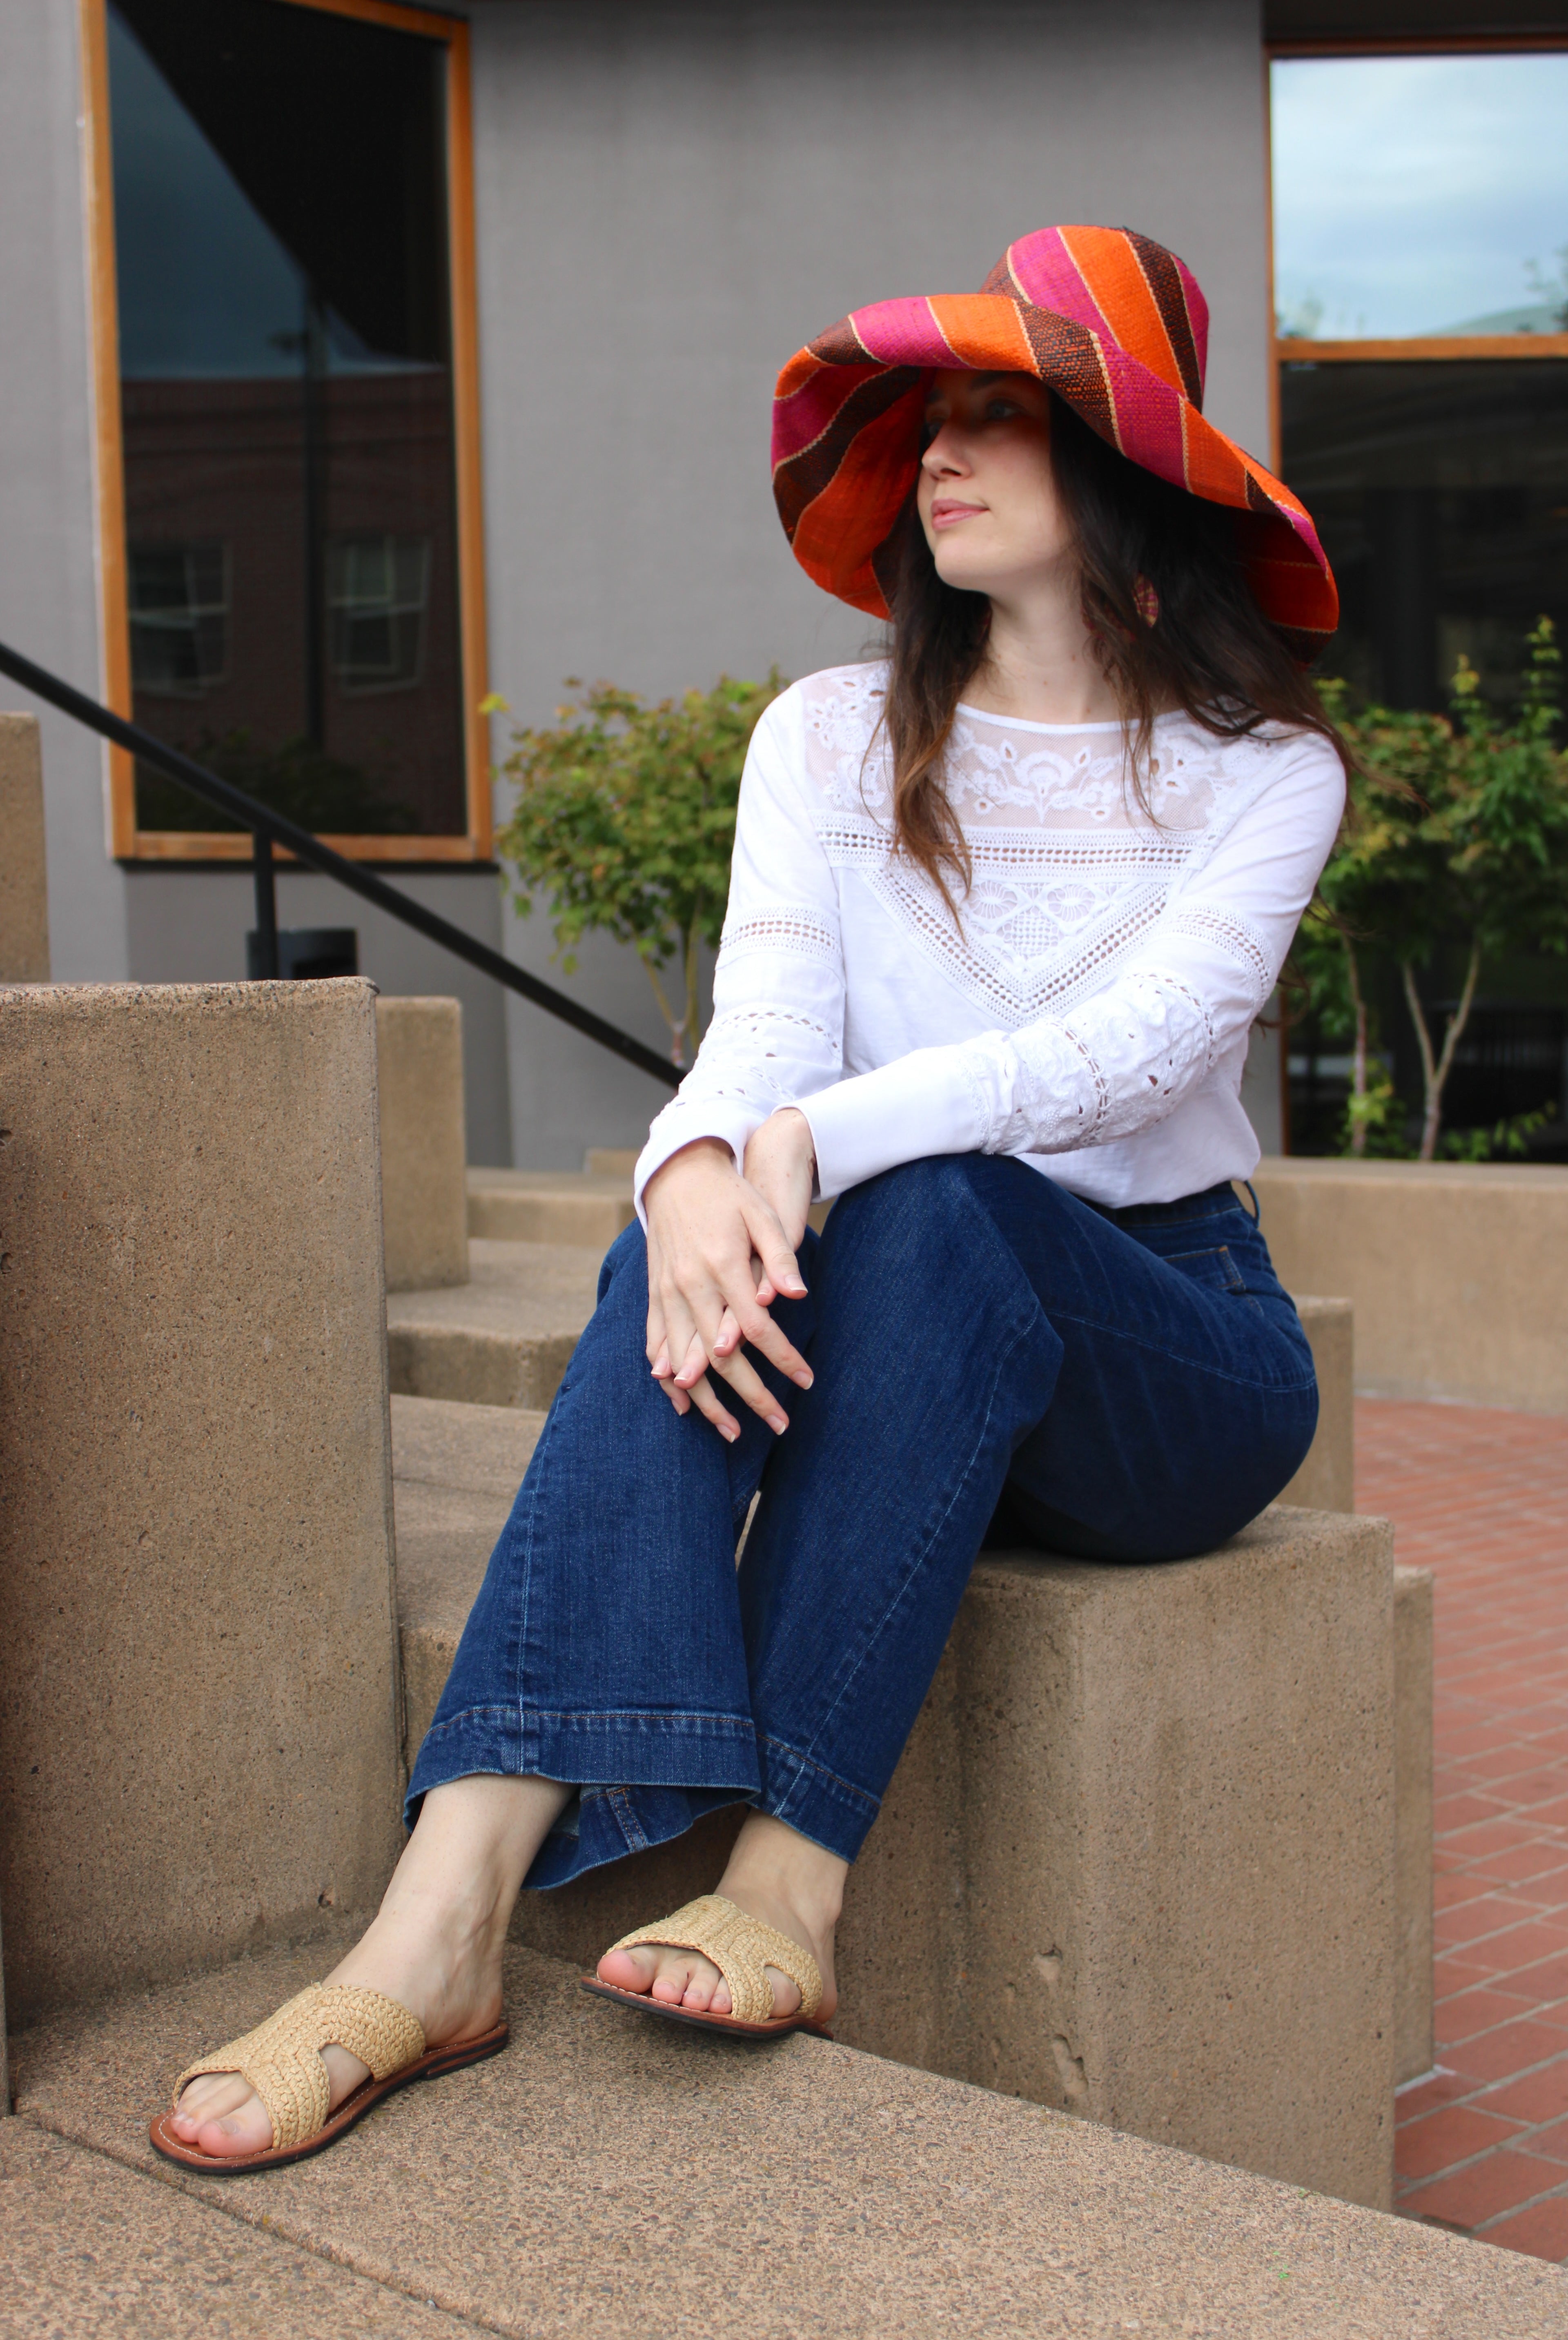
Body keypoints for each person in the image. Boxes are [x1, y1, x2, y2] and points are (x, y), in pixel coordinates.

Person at [153, 224, 1346, 2172]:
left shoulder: (1262, 771)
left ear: (1124, 464)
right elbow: (766, 1021)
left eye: (996, 418)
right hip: (906, 1310)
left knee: (936, 1200)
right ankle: (442, 1917)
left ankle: (791, 1877)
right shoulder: (830, 735)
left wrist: (817, 1142)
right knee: (691, 1231)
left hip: (1171, 1351)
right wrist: (701, 1158)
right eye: (923, 421)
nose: (939, 455)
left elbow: (1121, 1062)